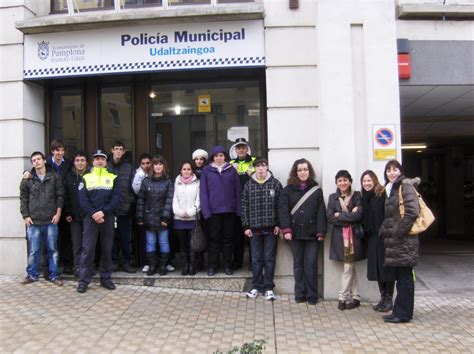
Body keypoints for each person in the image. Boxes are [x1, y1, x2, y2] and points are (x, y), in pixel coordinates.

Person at [279, 158, 327, 305]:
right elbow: (283, 211)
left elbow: (321, 213)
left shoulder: (316, 190)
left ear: (309, 171)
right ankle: (300, 294)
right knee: (298, 264)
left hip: (312, 234)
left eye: (305, 169)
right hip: (294, 233)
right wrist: (286, 229)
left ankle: (312, 295)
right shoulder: (287, 190)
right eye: (300, 170)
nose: (303, 172)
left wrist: (321, 232)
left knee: (311, 264)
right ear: (295, 172)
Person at [379, 160, 420, 324]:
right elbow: (391, 216)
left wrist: (398, 233)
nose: (391, 173)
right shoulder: (391, 189)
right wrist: (384, 229)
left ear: (400, 171)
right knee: (401, 278)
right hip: (396, 242)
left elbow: (412, 212)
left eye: (395, 169)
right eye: (388, 170)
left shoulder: (406, 186)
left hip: (404, 241)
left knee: (405, 278)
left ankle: (403, 314)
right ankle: (399, 310)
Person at [77, 150, 120, 293]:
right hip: (90, 218)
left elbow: (116, 198)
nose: (100, 161)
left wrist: (103, 212)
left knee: (107, 250)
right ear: (93, 162)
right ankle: (84, 281)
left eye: (102, 159)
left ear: (106, 162)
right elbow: (83, 200)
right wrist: (94, 213)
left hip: (107, 218)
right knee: (88, 250)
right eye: (97, 159)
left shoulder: (113, 177)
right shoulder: (86, 177)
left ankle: (106, 279)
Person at [20, 151, 64, 286]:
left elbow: (60, 196)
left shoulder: (54, 177)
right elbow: (23, 199)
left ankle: (54, 275)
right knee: (34, 251)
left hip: (50, 220)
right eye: (34, 160)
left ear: (44, 160)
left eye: (39, 159)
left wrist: (58, 214)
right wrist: (26, 216)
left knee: (53, 250)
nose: (36, 162)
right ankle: (32, 275)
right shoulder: (27, 179)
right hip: (34, 221)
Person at [241, 157, 282, 301]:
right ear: (254, 168)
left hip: (271, 229)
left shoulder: (275, 184)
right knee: (256, 260)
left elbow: (280, 207)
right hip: (254, 230)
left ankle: (269, 288)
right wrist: (246, 226)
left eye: (263, 165)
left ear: (267, 167)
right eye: (258, 166)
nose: (260, 168)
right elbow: (244, 207)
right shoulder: (248, 185)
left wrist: (279, 224)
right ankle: (256, 287)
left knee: (269, 259)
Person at [200, 146, 241, 276]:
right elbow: (203, 193)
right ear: (213, 157)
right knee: (214, 240)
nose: (219, 158)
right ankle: (213, 266)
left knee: (228, 240)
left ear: (225, 157)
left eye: (221, 155)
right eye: (216, 156)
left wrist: (238, 210)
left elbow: (237, 191)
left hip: (229, 211)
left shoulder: (231, 170)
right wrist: (206, 211)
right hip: (213, 212)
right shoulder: (206, 171)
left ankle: (227, 265)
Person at [327, 170, 365, 310]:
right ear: (336, 183)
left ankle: (342, 297)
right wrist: (349, 215)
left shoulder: (357, 196)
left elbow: (359, 216)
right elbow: (330, 218)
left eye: (345, 180)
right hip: (340, 238)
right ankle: (356, 297)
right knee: (350, 266)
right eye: (340, 181)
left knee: (348, 267)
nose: (343, 183)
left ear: (350, 181)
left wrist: (340, 215)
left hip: (353, 238)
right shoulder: (332, 198)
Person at [360, 170, 396, 312]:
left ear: (374, 180)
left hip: (383, 237)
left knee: (386, 268)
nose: (366, 183)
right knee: (377, 269)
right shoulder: (365, 198)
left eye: (369, 180)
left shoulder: (381, 195)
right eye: (364, 181)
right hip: (372, 237)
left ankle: (389, 299)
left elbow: (389, 215)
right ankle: (383, 297)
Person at [136, 155, 174, 276]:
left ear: (164, 166)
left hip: (163, 218)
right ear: (152, 166)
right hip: (149, 217)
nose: (158, 166)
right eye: (156, 164)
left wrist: (165, 217)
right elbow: (141, 200)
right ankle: (152, 265)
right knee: (150, 242)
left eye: (160, 164)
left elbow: (169, 200)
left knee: (163, 242)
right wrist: (140, 216)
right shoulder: (146, 181)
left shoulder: (168, 181)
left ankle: (163, 265)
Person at [108, 141, 136, 273]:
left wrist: (130, 202)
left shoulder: (129, 167)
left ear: (124, 152)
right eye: (116, 149)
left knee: (126, 238)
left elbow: (133, 188)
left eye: (121, 149)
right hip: (110, 210)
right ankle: (113, 262)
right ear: (112, 150)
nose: (118, 151)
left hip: (125, 208)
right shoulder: (106, 167)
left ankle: (126, 262)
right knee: (112, 238)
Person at [229, 138, 256, 270]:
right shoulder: (230, 164)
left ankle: (253, 262)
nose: (241, 150)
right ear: (235, 150)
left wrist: (252, 172)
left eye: (243, 147)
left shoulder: (254, 161)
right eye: (238, 148)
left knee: (252, 235)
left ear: (247, 148)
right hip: (235, 204)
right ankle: (238, 261)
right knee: (237, 235)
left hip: (251, 203)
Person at [63, 151, 89, 277]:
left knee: (88, 244)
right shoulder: (69, 177)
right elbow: (65, 196)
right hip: (74, 217)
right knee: (77, 244)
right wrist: (67, 212)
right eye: (77, 160)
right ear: (74, 162)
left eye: (82, 160)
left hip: (88, 216)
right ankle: (77, 267)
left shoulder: (91, 176)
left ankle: (88, 267)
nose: (80, 163)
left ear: (87, 162)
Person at [172, 161, 200, 276]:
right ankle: (185, 265)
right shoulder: (176, 183)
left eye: (188, 169)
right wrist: (179, 212)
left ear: (192, 170)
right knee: (183, 244)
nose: (186, 171)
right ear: (180, 171)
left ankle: (192, 265)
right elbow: (174, 200)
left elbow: (199, 201)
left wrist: (190, 212)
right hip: (179, 219)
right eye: (184, 169)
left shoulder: (197, 183)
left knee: (192, 244)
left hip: (192, 219)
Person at [132, 153, 152, 273]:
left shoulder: (156, 172)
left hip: (155, 210)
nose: (145, 166)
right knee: (145, 238)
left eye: (148, 163)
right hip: (142, 209)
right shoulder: (137, 175)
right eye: (143, 163)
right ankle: (145, 262)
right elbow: (136, 191)